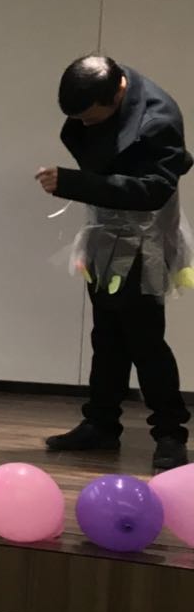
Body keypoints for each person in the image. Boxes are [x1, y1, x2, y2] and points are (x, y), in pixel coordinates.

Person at [37, 55, 193, 473]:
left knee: (145, 339)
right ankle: (101, 424)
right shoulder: (98, 94)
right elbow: (92, 146)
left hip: (146, 242)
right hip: (106, 233)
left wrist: (74, 182)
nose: (84, 125)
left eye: (91, 117)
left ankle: (171, 433)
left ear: (118, 92)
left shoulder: (158, 118)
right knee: (106, 335)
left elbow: (154, 190)